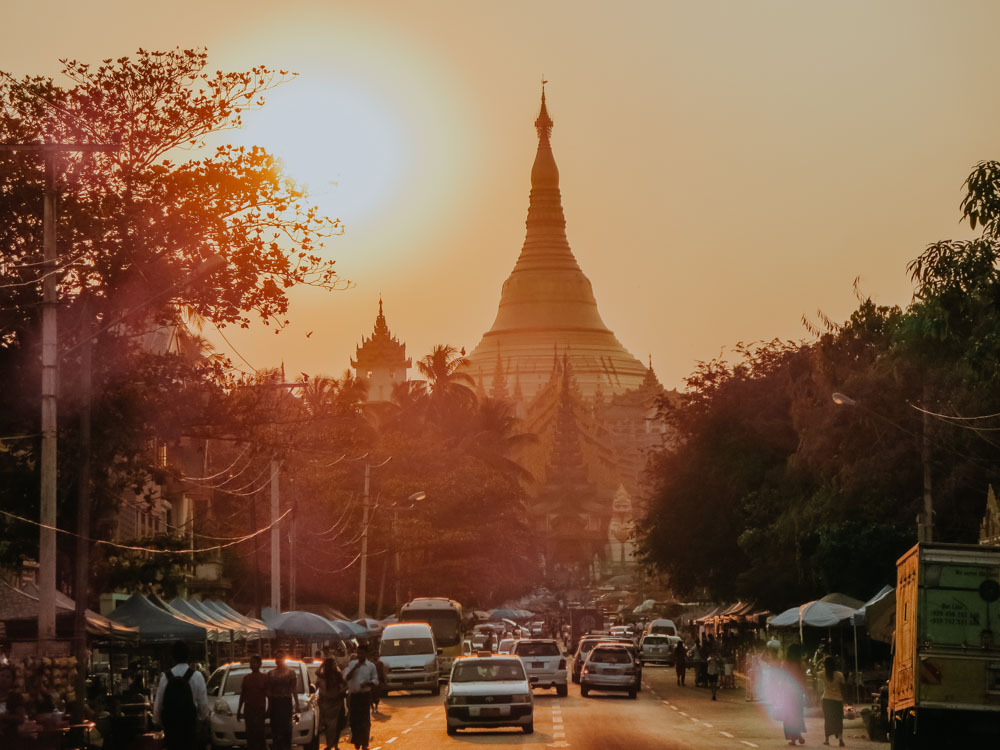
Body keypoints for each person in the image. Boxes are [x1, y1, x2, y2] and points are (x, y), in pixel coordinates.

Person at [152, 640, 209, 750]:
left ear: (173, 657)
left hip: (171, 726)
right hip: (190, 725)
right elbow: (203, 703)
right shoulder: (197, 676)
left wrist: (157, 721)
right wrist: (203, 719)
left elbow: (159, 702)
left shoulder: (165, 676)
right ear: (188, 656)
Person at [343, 644, 379, 750]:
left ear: (366, 654)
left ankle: (364, 743)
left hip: (365, 695)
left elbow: (376, 680)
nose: (360, 655)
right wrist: (355, 668)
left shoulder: (371, 666)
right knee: (354, 720)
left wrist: (368, 683)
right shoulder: (352, 664)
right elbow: (346, 677)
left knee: (365, 720)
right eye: (359, 653)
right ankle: (357, 740)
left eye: (362, 653)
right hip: (354, 695)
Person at [267, 651, 300, 750]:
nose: (278, 660)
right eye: (276, 658)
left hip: (286, 703)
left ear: (285, 659)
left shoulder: (291, 672)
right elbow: (269, 692)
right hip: (275, 703)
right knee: (275, 728)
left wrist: (297, 704)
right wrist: (269, 706)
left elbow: (294, 689)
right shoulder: (271, 673)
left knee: (287, 728)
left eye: (280, 657)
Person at [237, 655, 269, 750]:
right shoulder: (246, 678)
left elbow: (269, 695)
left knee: (260, 733)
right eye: (251, 662)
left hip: (259, 710)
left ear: (260, 664)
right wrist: (239, 710)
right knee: (250, 734)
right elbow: (242, 695)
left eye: (254, 662)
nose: (252, 664)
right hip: (249, 710)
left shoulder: (264, 678)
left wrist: (269, 709)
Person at [778, 642, 807, 746]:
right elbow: (804, 679)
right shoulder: (802, 664)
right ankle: (798, 735)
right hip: (798, 691)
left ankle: (794, 738)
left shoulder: (785, 663)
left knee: (789, 715)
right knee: (798, 714)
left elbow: (783, 677)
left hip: (787, 691)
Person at [316, 657, 346, 750]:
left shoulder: (338, 675)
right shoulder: (324, 675)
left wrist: (340, 692)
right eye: (333, 663)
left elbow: (345, 685)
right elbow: (317, 672)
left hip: (337, 702)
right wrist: (323, 664)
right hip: (327, 702)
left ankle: (334, 744)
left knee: (337, 725)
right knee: (329, 725)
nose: (335, 665)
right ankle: (330, 744)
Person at [821, 655, 846, 747]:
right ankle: (840, 740)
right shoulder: (839, 675)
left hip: (826, 699)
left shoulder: (823, 673)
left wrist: (820, 662)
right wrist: (846, 700)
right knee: (839, 720)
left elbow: (813, 671)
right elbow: (843, 688)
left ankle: (827, 740)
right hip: (837, 700)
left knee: (828, 719)